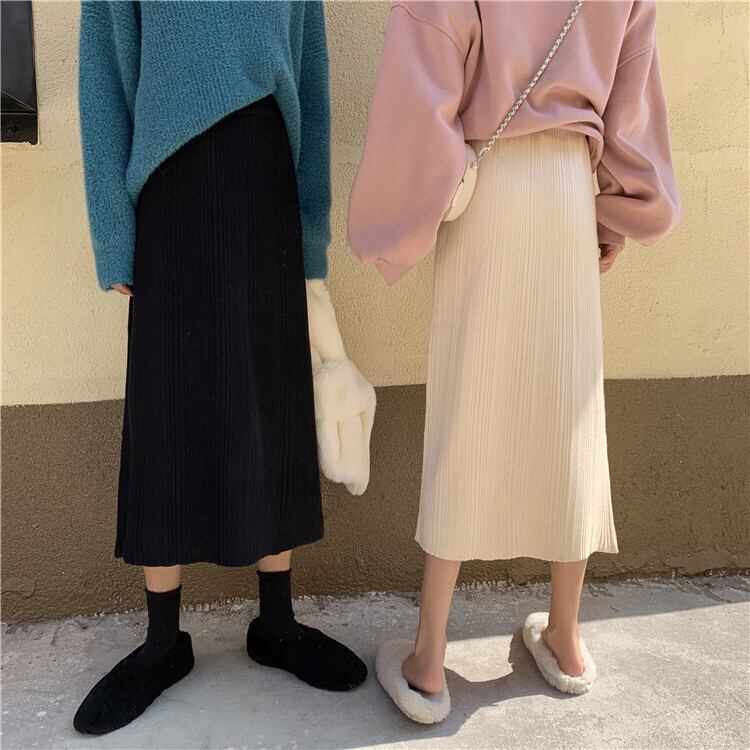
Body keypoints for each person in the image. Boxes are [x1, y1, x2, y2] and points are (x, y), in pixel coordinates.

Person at [348, 0, 681, 723]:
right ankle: (566, 638)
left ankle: (429, 657)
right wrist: (617, 215)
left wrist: (399, 219)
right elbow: (633, 104)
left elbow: (423, 79)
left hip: (487, 188)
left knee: (467, 412)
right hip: (569, 190)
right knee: (569, 411)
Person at [75, 0, 372, 734]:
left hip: (266, 185)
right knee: (166, 407)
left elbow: (311, 82)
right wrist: (114, 235)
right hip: (168, 191)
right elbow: (104, 79)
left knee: (272, 398)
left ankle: (277, 624)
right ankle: (161, 642)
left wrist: (310, 235)